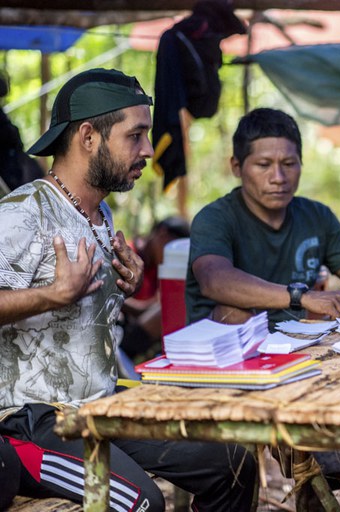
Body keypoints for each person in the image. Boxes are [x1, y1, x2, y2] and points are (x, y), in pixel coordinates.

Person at [0, 68, 255, 511]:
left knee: (233, 462)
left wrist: (126, 285)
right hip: (31, 423)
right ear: (87, 137)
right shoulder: (24, 213)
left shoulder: (98, 215)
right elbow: (55, 295)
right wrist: (52, 294)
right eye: (135, 136)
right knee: (139, 503)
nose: (147, 150)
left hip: (102, 407)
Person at [185, 107, 340, 511]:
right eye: (263, 164)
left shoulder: (315, 216)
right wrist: (300, 297)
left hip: (300, 370)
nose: (278, 177)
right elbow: (215, 280)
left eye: (289, 164)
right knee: (258, 475)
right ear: (236, 166)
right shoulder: (215, 219)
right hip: (229, 376)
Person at [119, 216, 190, 365]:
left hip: (143, 330)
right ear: (162, 234)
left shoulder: (160, 268)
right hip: (122, 331)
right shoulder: (129, 255)